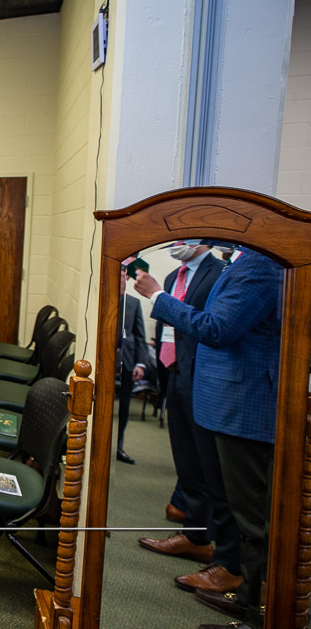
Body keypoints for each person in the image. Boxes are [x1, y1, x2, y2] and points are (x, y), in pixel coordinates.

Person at [135, 247, 282, 629]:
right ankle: (247, 598)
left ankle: (258, 606)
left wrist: (157, 298)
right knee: (233, 500)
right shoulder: (240, 264)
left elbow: (217, 329)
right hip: (219, 397)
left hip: (244, 404)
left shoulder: (261, 266)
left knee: (252, 515)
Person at [136, 242, 240, 598]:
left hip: (203, 378)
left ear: (207, 241)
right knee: (188, 463)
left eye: (187, 239)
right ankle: (195, 537)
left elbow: (210, 327)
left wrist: (158, 296)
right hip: (174, 373)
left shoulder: (219, 275)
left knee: (214, 471)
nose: (177, 246)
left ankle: (225, 557)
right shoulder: (170, 275)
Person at [115, 267, 148, 464]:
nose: (120, 280)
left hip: (127, 362)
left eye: (123, 277)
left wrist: (141, 363)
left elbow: (140, 336)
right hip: (107, 362)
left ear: (127, 279)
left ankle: (119, 446)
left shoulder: (134, 303)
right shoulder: (104, 299)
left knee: (124, 407)